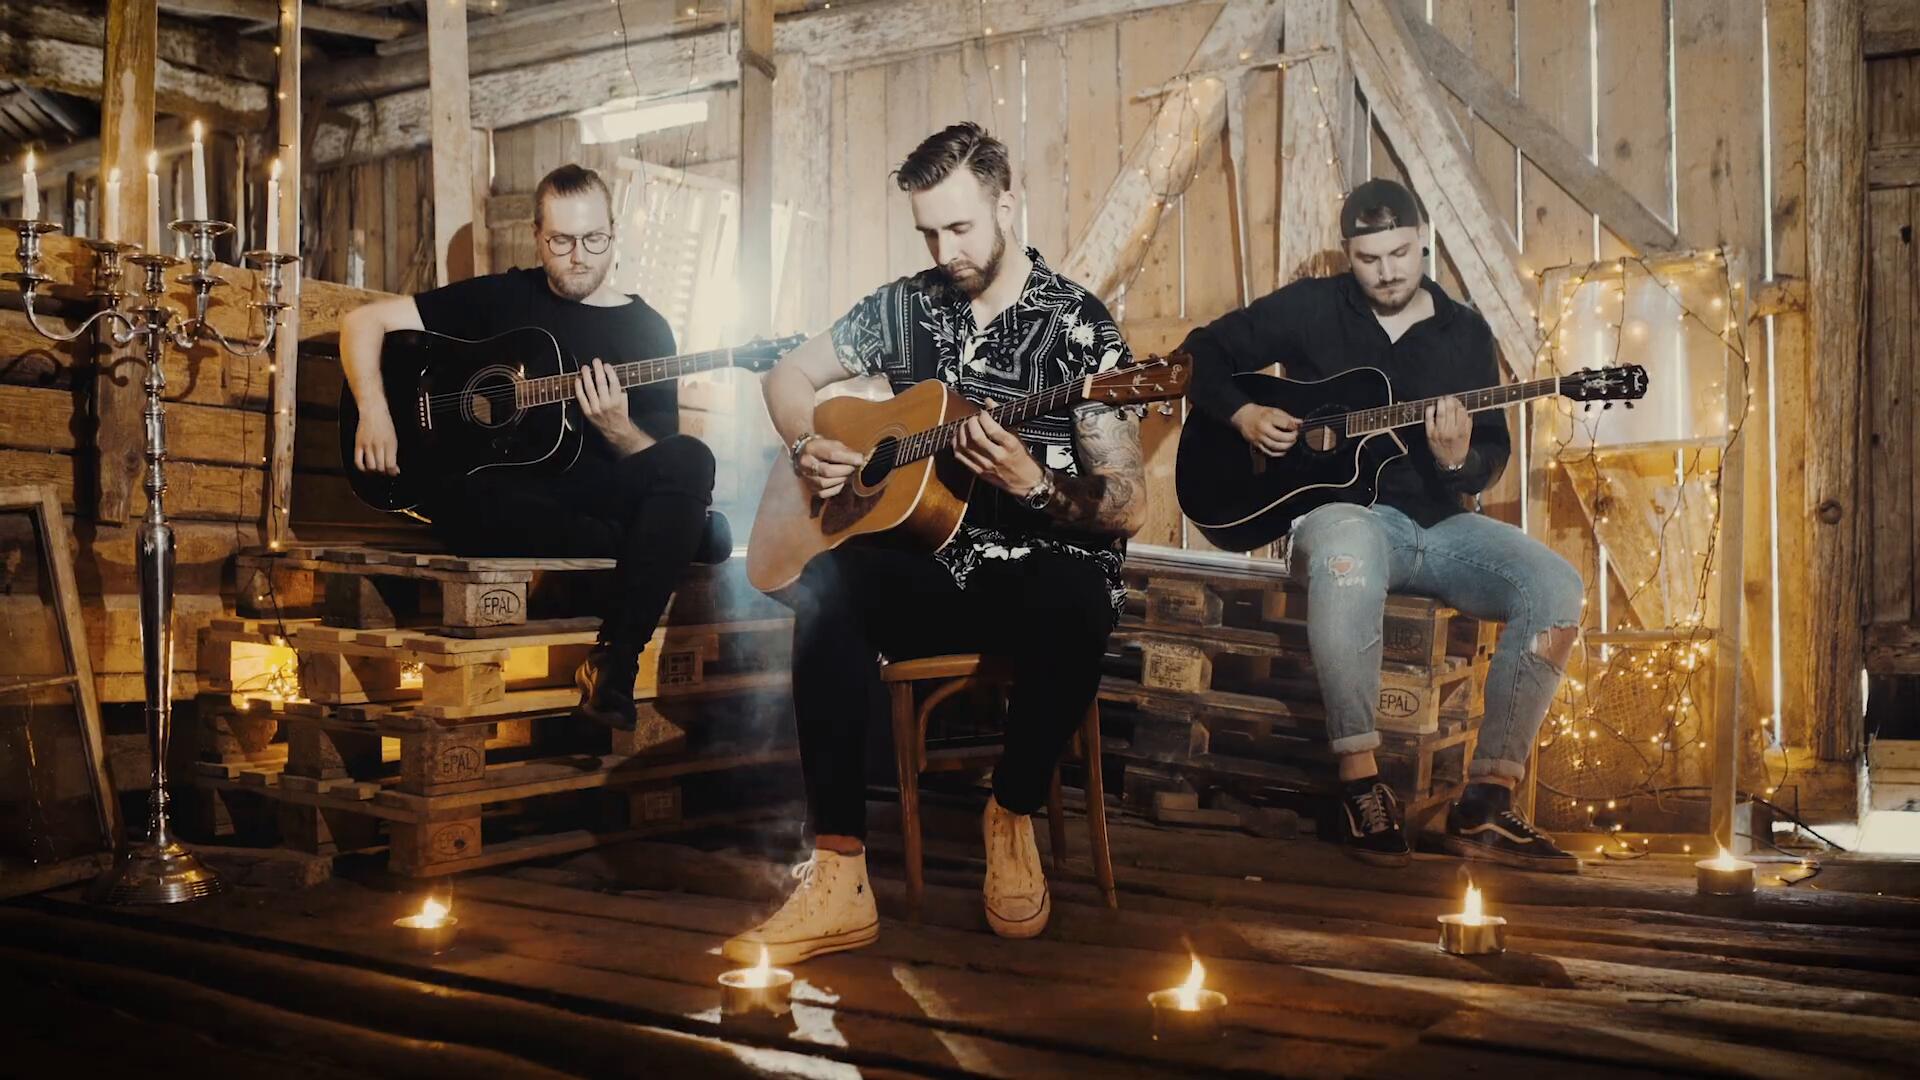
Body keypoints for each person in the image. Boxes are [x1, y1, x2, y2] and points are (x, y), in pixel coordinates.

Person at [724, 123, 1148, 965]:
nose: (945, 251)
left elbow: (1128, 503)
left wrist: (1034, 483)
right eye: (928, 232)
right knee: (830, 587)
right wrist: (808, 443)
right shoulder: (905, 306)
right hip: (934, 567)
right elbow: (788, 375)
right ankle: (840, 873)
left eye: (960, 227)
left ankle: (1011, 812)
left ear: (1007, 203)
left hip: (1040, 579)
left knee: (1077, 596)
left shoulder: (1080, 328)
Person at [1182, 178, 1582, 873]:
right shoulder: (1312, 307)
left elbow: (1491, 453)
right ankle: (1360, 783)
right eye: (1369, 258)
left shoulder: (1466, 333)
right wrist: (1244, 415)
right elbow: (1202, 352)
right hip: (1348, 519)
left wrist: (1458, 462)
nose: (1388, 271)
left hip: (1443, 527)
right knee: (1349, 549)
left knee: (1556, 587)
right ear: (1348, 253)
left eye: (1400, 253)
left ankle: (1486, 801)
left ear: (1423, 241)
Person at [339, 163, 719, 731]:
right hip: (511, 500)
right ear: (538, 237)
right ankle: (673, 540)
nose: (579, 256)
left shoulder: (649, 331)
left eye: (594, 239)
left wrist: (618, 427)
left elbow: (660, 462)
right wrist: (374, 411)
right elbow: (362, 323)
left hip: (599, 494)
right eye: (562, 241)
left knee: (693, 458)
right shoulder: (505, 297)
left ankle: (614, 662)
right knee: (700, 533)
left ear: (613, 233)